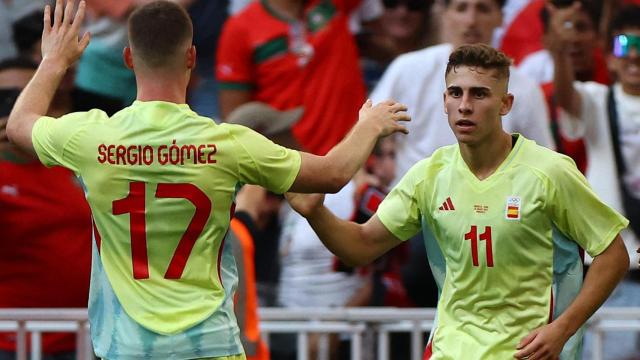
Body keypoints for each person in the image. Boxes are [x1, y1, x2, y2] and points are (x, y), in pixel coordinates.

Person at [5, 1, 410, 359]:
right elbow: (334, 174)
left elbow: (20, 126)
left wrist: (54, 61)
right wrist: (369, 124)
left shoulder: (91, 137)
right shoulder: (226, 142)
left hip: (125, 348)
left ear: (129, 58)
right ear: (192, 57)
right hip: (209, 344)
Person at [287, 44, 629, 359]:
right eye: (456, 93)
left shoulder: (550, 171)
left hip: (525, 353)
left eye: (480, 94)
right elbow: (361, 246)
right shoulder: (429, 174)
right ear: (445, 100)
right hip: (450, 350)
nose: (465, 105)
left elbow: (613, 255)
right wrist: (315, 213)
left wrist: (563, 330)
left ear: (506, 103)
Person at [371, 0, 555, 183]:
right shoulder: (408, 68)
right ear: (445, 14)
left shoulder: (526, 89)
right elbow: (368, 125)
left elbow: (545, 165)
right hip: (411, 200)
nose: (471, 20)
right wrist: (364, 172)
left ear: (500, 17)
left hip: (491, 203)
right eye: (461, 8)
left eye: (483, 9)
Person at [551, 4, 640, 358]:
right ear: (609, 58)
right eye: (624, 45)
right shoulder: (597, 98)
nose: (634, 54)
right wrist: (559, 51)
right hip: (611, 274)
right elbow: (566, 98)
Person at [0, 58, 92, 360]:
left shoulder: (75, 160)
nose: (13, 106)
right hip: (14, 340)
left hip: (87, 335)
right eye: (5, 97)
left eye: (27, 94)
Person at [216, 0, 367, 155]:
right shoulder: (240, 28)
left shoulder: (334, 4)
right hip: (295, 166)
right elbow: (236, 120)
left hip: (358, 157)